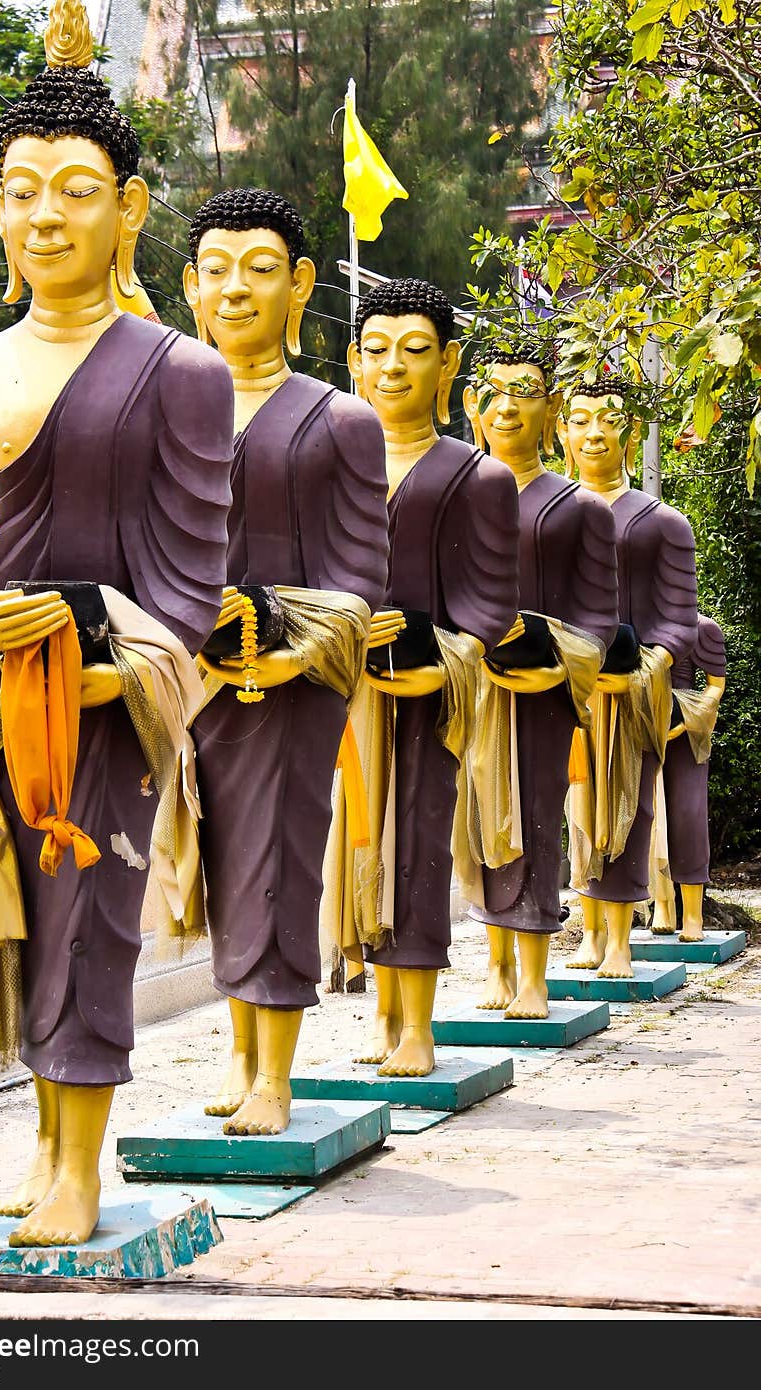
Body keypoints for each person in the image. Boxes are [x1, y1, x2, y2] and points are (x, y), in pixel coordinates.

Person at [0, 0, 234, 1246]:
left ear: (131, 209)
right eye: (20, 191)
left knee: (90, 917)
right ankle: (47, 1142)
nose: (44, 217)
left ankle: (80, 1168)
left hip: (116, 695)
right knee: (18, 915)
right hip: (13, 696)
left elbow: (195, 584)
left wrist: (117, 676)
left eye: (76, 191)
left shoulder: (182, 372)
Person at [183, 187, 390, 1134]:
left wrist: (278, 629)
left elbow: (360, 574)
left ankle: (277, 1072)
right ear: (188, 287)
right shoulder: (166, 413)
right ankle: (237, 1045)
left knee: (279, 861)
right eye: (216, 270)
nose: (236, 290)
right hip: (191, 676)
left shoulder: (339, 421)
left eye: (260, 269)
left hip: (294, 680)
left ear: (300, 284)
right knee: (219, 861)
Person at [340, 278, 519, 1074]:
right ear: (352, 360)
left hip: (425, 693)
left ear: (448, 364)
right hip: (339, 689)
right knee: (350, 848)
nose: (393, 368)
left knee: (414, 846)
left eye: (415, 351)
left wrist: (444, 662)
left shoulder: (474, 478)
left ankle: (418, 1023)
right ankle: (377, 1011)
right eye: (375, 350)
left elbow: (490, 607)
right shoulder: (325, 464)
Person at [463, 341, 619, 1017]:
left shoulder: (579, 507)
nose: (507, 407)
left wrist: (558, 662)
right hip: (468, 686)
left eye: (523, 391)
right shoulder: (454, 494)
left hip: (544, 689)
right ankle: (492, 961)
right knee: (472, 821)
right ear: (474, 403)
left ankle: (533, 971)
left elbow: (599, 614)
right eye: (494, 391)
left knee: (532, 817)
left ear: (550, 407)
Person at [560, 379, 697, 976]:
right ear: (561, 430)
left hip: (634, 689)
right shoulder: (545, 511)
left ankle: (620, 936)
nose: (595, 432)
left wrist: (652, 666)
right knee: (574, 808)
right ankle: (586, 925)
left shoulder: (661, 522)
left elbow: (679, 616)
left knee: (630, 808)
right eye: (581, 419)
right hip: (564, 686)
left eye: (609, 420)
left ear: (631, 432)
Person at [651, 615, 726, 941]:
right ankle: (661, 903)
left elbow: (715, 685)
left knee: (688, 814)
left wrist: (685, 719)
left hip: (688, 733)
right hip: (642, 727)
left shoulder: (703, 628)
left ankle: (693, 914)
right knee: (649, 816)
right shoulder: (635, 622)